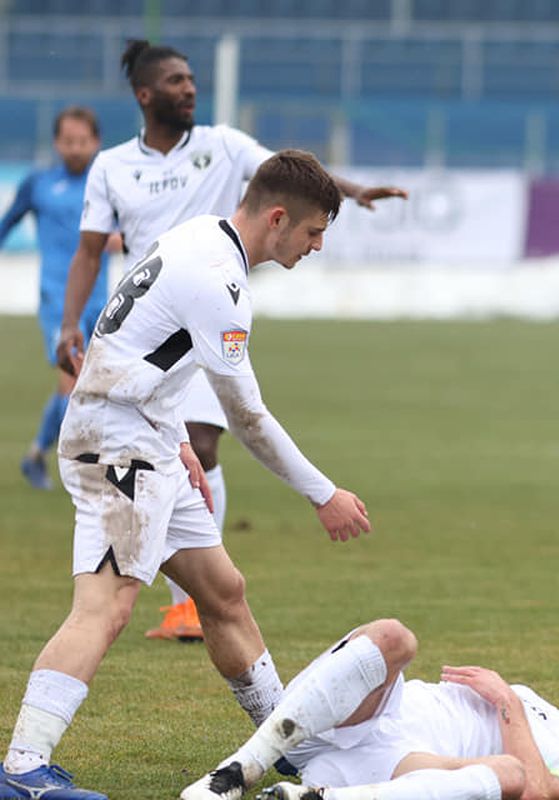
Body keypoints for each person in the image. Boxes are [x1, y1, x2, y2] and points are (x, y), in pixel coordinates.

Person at [0, 151, 373, 800]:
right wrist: (324, 493)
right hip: (117, 449)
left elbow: (139, 348)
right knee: (106, 606)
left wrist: (177, 439)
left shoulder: (200, 234)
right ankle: (24, 769)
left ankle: (288, 745)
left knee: (223, 591)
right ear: (278, 218)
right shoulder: (220, 283)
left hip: (145, 436)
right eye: (314, 232)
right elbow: (248, 419)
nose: (317, 246)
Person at [54, 39, 406, 642]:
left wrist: (354, 191)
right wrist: (68, 324)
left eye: (191, 78)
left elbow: (293, 179)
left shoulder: (221, 145)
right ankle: (178, 593)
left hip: (210, 327)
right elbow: (89, 251)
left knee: (203, 449)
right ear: (145, 94)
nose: (189, 87)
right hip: (147, 335)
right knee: (181, 458)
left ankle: (189, 599)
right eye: (175, 80)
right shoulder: (113, 166)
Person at [180, 618, 559, 800]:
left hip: (399, 766)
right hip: (367, 712)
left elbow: (538, 793)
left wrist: (506, 700)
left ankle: (313, 798)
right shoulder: (551, 710)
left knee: (509, 774)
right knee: (394, 637)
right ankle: (235, 774)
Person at [0, 107, 117, 491]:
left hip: (102, 300)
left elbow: (129, 233)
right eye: (68, 141)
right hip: (58, 301)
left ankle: (36, 454)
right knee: (74, 382)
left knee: (85, 386)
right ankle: (92, 474)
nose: (74, 148)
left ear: (96, 142)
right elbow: (7, 224)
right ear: (56, 142)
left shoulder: (107, 184)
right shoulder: (38, 183)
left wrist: (120, 241)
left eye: (82, 141)